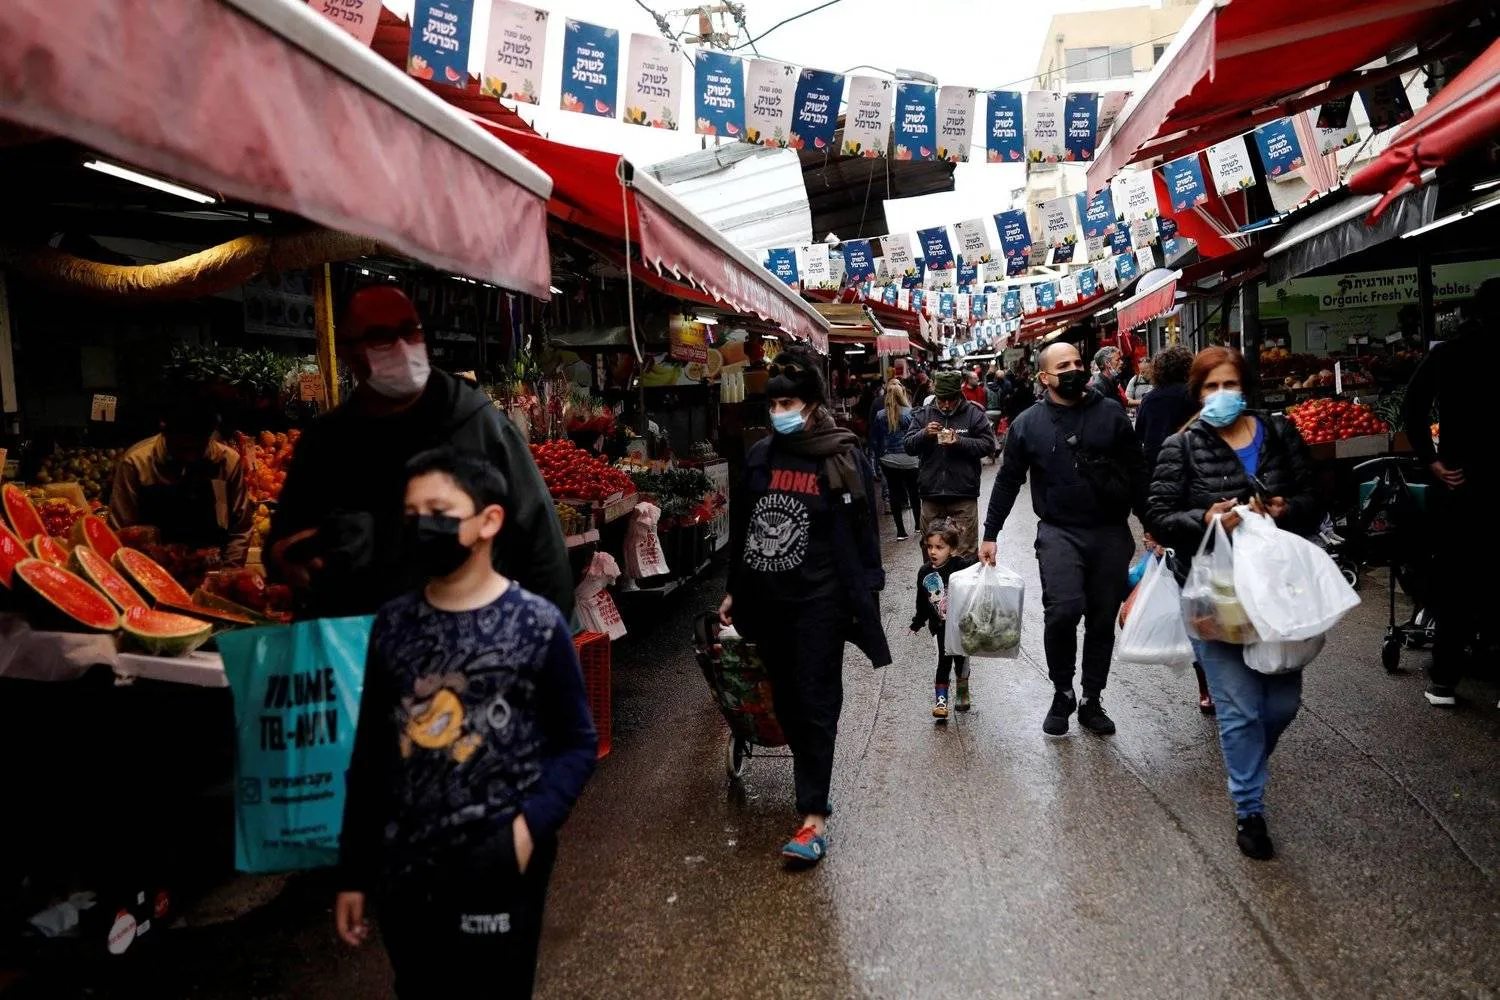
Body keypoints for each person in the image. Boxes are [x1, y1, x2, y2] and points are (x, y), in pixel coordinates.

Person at [335, 448, 597, 997]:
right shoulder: (393, 624)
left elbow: (576, 743)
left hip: (500, 858)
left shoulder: (538, 624)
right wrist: (355, 870)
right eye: (412, 514)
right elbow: (373, 753)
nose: (421, 525)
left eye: (438, 509)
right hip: (406, 863)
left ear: (489, 520)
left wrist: (525, 832)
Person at [266, 286, 572, 620]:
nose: (400, 345)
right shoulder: (327, 441)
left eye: (409, 331)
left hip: (467, 640)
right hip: (360, 647)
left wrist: (545, 641)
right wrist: (287, 558)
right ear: (349, 353)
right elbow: (284, 541)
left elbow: (540, 540)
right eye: (380, 336)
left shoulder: (476, 423)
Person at [719, 349, 890, 867]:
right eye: (772, 405)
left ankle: (813, 815)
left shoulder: (842, 456)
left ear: (813, 404)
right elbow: (745, 530)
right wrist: (733, 589)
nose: (779, 413)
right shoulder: (759, 457)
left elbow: (864, 532)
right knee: (788, 701)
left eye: (788, 403)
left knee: (816, 699)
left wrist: (868, 592)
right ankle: (813, 782)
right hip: (769, 600)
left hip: (823, 600)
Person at [1146, 347, 1318, 860]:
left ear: (1246, 387)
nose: (1222, 396)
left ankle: (1247, 769)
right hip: (1213, 593)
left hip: (1279, 591)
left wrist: (1287, 509)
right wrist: (1205, 519)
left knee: (1282, 704)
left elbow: (1318, 498)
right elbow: (1158, 514)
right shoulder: (1181, 446)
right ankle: (1250, 810)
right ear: (1198, 394)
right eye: (1210, 388)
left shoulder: (1279, 433)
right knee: (1240, 708)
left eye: (1230, 385)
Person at [979, 342, 1147, 737]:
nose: (1073, 369)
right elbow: (1007, 481)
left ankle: (1091, 699)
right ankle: (1062, 690)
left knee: (1102, 619)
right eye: (1063, 365)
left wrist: (1152, 524)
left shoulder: (1110, 414)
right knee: (1063, 610)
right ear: (1044, 377)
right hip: (1058, 532)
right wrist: (990, 533)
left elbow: (1137, 471)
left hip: (1109, 531)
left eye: (1077, 362)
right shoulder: (1027, 424)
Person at [1402, 277, 1499, 706]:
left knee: (1457, 578)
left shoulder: (1451, 351)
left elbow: (1413, 406)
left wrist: (1433, 460)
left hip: (1461, 481)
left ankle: (1445, 681)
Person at [1133, 344, 1215, 714]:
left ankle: (1206, 686)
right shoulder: (1200, 397)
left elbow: (1145, 458)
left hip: (1170, 507)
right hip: (1209, 502)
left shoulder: (1150, 403)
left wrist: (1151, 520)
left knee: (1191, 594)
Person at [112, 394, 254, 564]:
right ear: (164, 430)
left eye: (198, 448)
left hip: (212, 572)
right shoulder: (136, 464)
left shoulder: (228, 463)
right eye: (182, 448)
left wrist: (229, 573)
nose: (190, 457)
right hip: (152, 573)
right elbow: (120, 534)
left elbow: (240, 528)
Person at [903, 370, 996, 555]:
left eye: (951, 399)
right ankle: (936, 585)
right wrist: (924, 434)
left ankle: (962, 585)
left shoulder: (973, 414)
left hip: (963, 495)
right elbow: (908, 446)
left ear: (959, 394)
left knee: (965, 553)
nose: (946, 405)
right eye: (942, 399)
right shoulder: (923, 415)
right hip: (931, 495)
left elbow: (988, 444)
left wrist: (960, 442)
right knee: (932, 553)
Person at [909, 519, 975, 721]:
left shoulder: (960, 566)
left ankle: (962, 693)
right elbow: (922, 601)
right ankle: (941, 702)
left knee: (961, 662)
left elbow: (976, 571)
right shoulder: (925, 572)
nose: (933, 552)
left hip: (961, 627)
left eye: (939, 547)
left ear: (952, 549)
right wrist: (918, 622)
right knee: (943, 663)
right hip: (939, 627)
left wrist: (986, 563)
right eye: (929, 547)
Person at [870, 380, 921, 540]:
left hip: (888, 459)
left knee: (894, 493)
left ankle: (901, 531)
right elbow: (915, 436)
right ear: (902, 395)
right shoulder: (909, 413)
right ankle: (918, 526)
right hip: (910, 459)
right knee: (914, 492)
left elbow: (875, 440)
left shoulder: (880, 415)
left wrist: (880, 457)